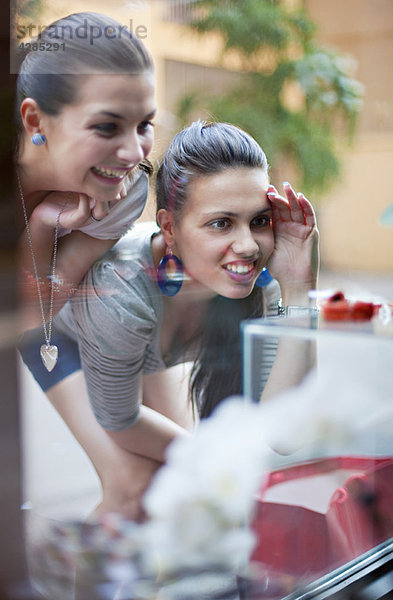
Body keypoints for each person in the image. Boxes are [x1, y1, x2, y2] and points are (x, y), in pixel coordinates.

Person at [43, 120, 319, 516]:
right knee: (136, 490)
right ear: (169, 227)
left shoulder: (261, 282)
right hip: (58, 333)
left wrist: (299, 287)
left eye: (259, 220)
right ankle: (89, 576)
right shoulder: (120, 294)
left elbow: (285, 432)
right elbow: (121, 419)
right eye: (221, 223)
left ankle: (147, 575)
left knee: (184, 486)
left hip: (137, 342)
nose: (247, 245)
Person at [17, 12, 161, 519]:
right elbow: (25, 316)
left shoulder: (126, 186)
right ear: (36, 122)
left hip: (84, 313)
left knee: (157, 489)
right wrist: (43, 223)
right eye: (106, 126)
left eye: (144, 124)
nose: (132, 151)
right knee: (131, 486)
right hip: (28, 325)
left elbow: (50, 294)